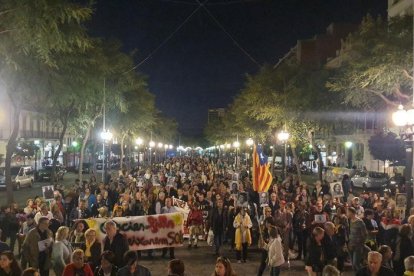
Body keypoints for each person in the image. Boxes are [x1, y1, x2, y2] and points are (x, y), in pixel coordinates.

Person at [347, 207, 367, 271]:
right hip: (351, 244)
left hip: (358, 246)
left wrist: (361, 244)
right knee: (353, 265)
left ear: (352, 213)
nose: (347, 213)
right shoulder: (350, 220)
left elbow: (364, 234)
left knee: (356, 264)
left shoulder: (360, 222)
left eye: (348, 212)